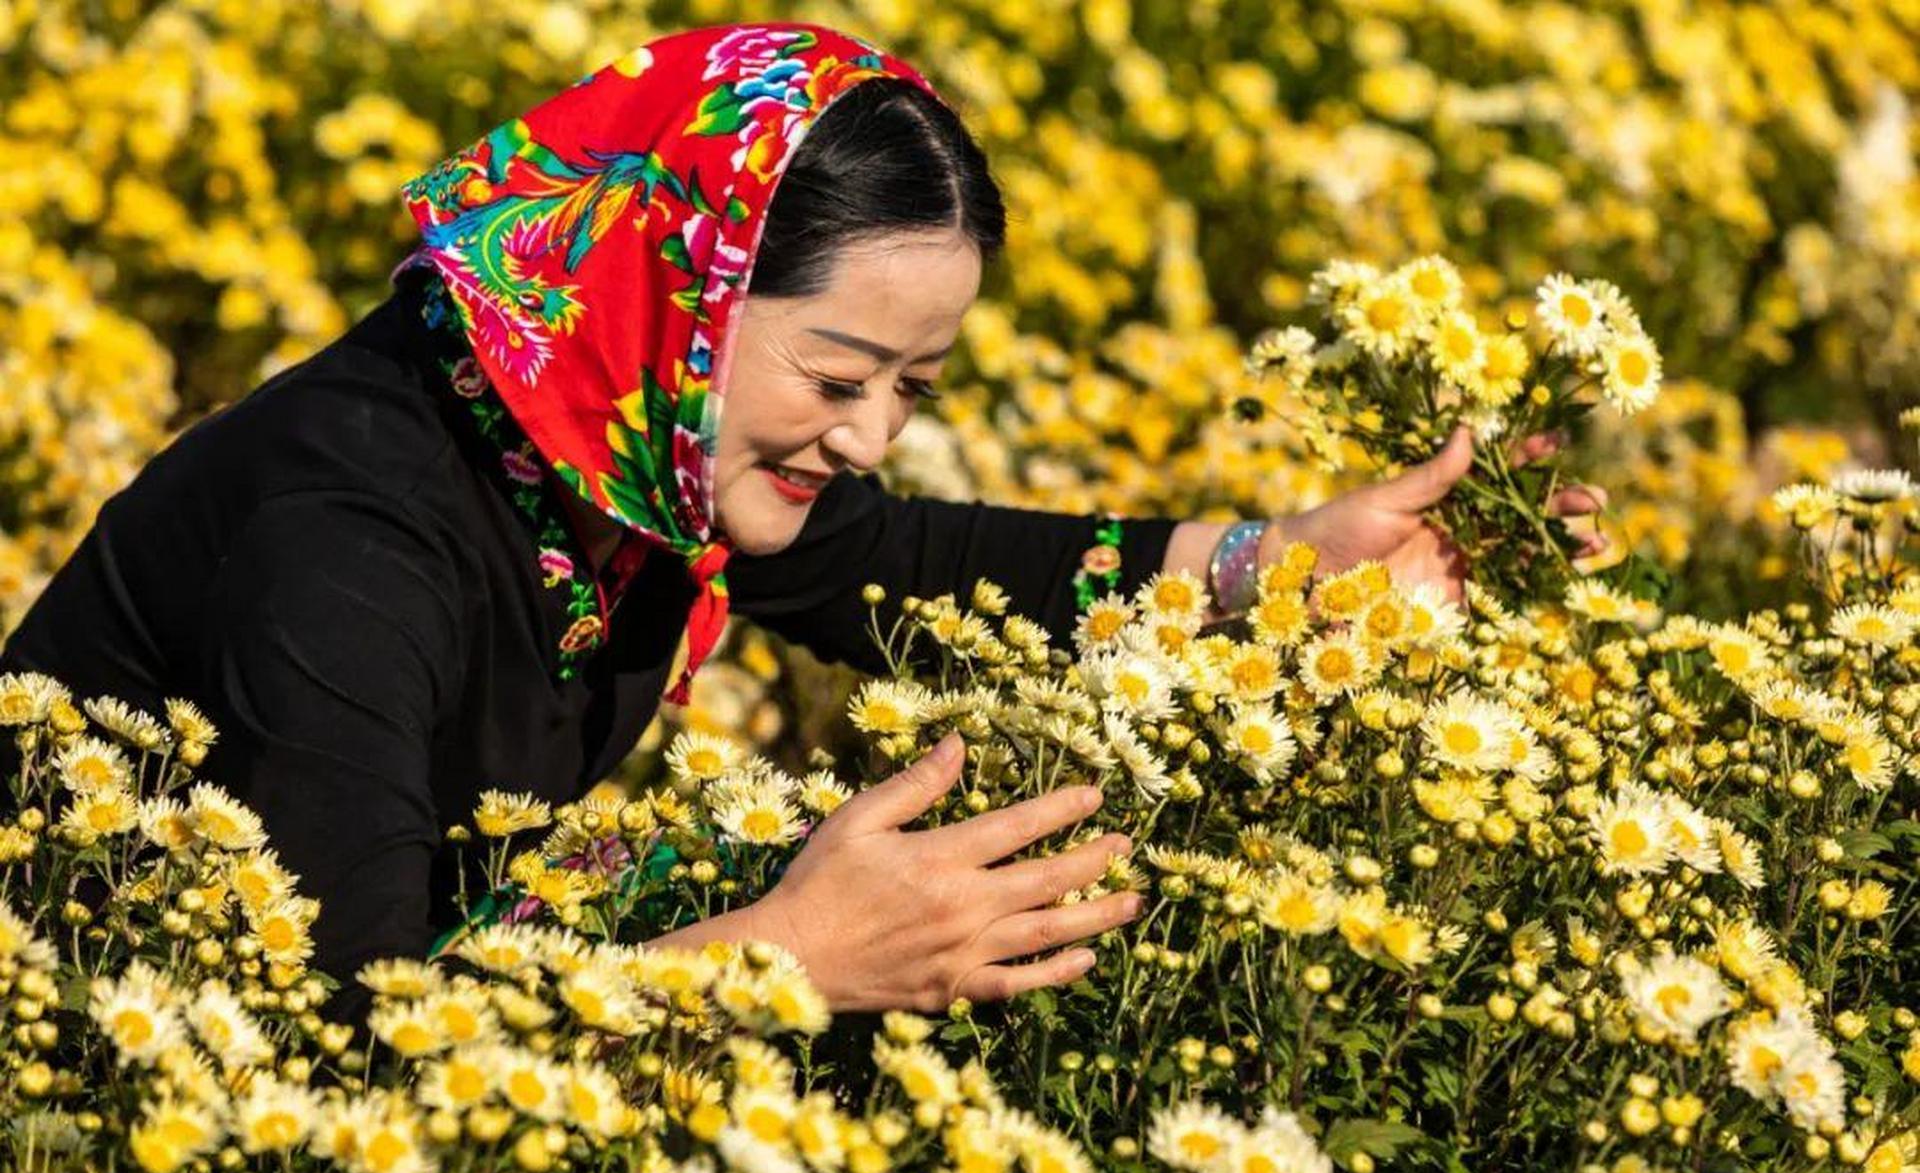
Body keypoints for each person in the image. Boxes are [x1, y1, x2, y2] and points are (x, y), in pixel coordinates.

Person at [0, 22, 1603, 1016]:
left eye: (915, 381)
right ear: (679, 296)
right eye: (841, 371)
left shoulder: (613, 442)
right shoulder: (352, 538)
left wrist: (1271, 567)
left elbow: (910, 568)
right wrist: (785, 956)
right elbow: (345, 1031)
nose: (870, 435)